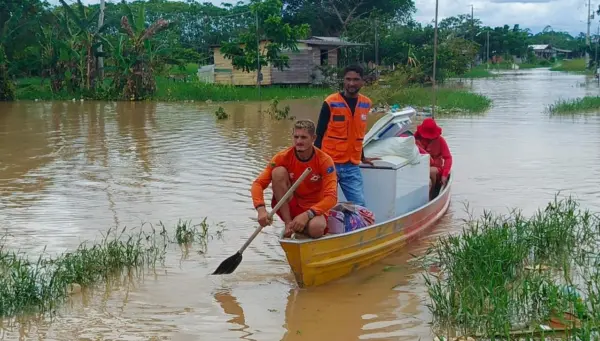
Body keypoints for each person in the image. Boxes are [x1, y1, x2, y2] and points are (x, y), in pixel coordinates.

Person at [250, 119, 338, 239]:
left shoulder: (325, 161)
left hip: (315, 207)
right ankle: (288, 223)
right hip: (292, 204)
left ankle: (301, 230)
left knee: (316, 229)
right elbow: (258, 184)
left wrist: (308, 214)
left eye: (303, 137)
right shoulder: (282, 157)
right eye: (296, 137)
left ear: (313, 138)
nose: (299, 141)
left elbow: (332, 198)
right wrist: (261, 209)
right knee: (277, 172)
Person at [315, 64, 379, 207]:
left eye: (356, 79)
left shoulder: (366, 103)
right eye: (348, 79)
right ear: (343, 80)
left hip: (352, 165)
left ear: (362, 81)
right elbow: (318, 134)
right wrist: (315, 161)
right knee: (324, 204)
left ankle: (357, 229)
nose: (351, 83)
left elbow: (358, 134)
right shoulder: (330, 102)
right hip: (329, 163)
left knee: (359, 205)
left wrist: (362, 157)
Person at [414, 118, 453, 198]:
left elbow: (448, 158)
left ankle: (433, 194)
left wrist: (445, 174)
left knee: (431, 171)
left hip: (435, 169)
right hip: (418, 167)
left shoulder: (440, 140)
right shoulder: (414, 139)